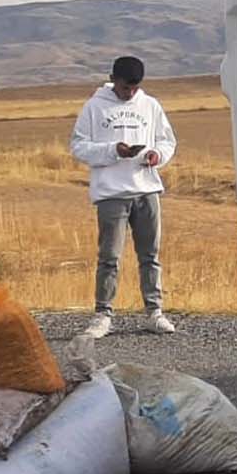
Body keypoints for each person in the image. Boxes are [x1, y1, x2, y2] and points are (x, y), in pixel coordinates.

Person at [69, 55, 177, 338]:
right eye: (125, 87)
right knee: (109, 257)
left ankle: (154, 311)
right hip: (111, 193)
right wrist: (112, 151)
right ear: (113, 79)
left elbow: (166, 140)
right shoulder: (94, 107)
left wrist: (157, 155)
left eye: (134, 88)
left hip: (146, 188)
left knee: (150, 255)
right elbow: (79, 146)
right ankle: (103, 313)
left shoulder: (150, 105)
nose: (129, 93)